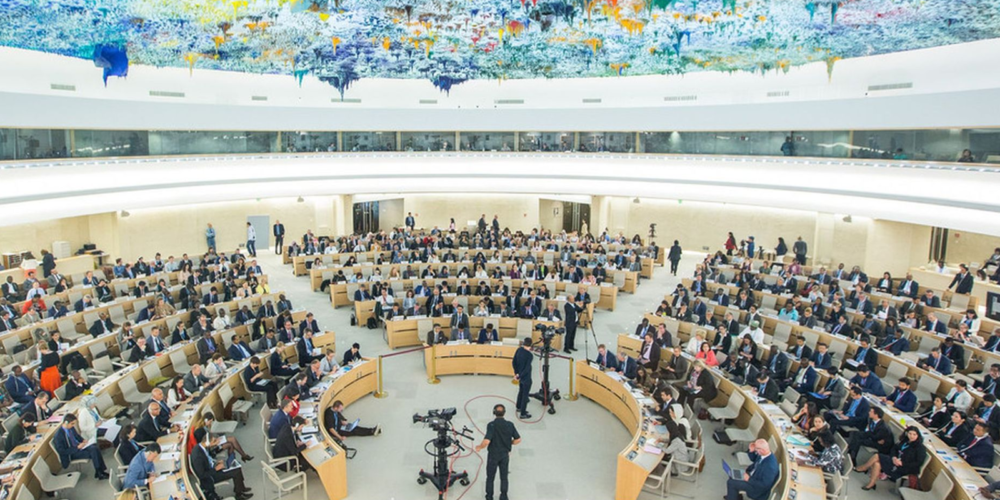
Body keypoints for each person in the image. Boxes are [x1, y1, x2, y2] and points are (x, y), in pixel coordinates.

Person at [191, 427, 253, 500]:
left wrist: (216, 462)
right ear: (208, 442)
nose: (215, 443)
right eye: (214, 441)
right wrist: (216, 469)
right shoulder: (198, 457)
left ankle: (241, 488)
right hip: (211, 476)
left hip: (213, 467)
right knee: (236, 471)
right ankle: (239, 495)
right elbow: (202, 475)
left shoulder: (202, 447)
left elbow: (208, 459)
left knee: (237, 466)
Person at [857, 426, 926, 491]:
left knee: (877, 456)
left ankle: (864, 468)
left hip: (904, 467)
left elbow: (918, 462)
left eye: (914, 434)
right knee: (877, 463)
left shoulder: (920, 448)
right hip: (895, 461)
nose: (912, 436)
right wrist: (894, 457)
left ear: (918, 435)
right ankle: (871, 484)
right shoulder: (905, 441)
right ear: (907, 433)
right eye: (910, 433)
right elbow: (894, 449)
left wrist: (902, 463)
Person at [475, 404, 521, 500]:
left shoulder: (491, 425)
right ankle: (503, 496)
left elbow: (486, 441)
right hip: (505, 455)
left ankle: (489, 497)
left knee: (490, 477)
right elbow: (518, 440)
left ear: (494, 413)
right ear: (504, 413)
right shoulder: (510, 424)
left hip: (493, 455)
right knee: (504, 477)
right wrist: (509, 443)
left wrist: (479, 447)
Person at [53, 414, 109, 480]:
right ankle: (99, 472)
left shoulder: (70, 427)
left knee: (95, 448)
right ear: (66, 423)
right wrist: (77, 448)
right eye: (72, 424)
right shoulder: (58, 436)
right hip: (72, 453)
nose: (73, 425)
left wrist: (83, 440)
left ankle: (99, 471)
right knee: (94, 452)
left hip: (79, 447)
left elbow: (77, 436)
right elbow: (62, 451)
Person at [512, 337, 534, 419]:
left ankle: (518, 407)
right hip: (526, 377)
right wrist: (520, 375)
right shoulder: (529, 355)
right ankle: (523, 413)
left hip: (519, 376)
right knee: (525, 395)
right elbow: (527, 368)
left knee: (520, 391)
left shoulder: (519, 350)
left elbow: (514, 362)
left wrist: (516, 374)